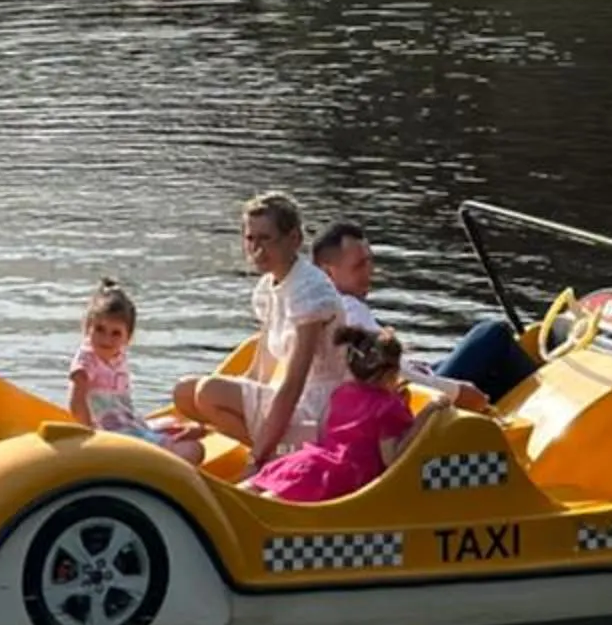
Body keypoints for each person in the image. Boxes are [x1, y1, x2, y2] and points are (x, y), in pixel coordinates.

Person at [168, 193, 344, 470]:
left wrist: (256, 456)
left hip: (318, 409)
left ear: (294, 239)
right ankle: (270, 452)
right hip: (285, 401)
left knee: (208, 391)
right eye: (251, 240)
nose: (257, 250)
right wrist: (208, 424)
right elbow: (260, 371)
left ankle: (271, 459)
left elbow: (293, 384)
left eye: (266, 239)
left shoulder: (310, 292)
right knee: (185, 392)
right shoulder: (269, 287)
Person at [312, 220, 492, 413]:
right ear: (328, 272)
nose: (370, 271)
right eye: (359, 266)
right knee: (493, 334)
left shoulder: (313, 307)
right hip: (419, 396)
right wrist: (459, 392)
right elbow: (395, 373)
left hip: (406, 381)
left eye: (370, 261)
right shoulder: (349, 311)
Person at [248, 324, 418, 503]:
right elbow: (391, 459)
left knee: (262, 486)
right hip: (346, 475)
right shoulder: (389, 407)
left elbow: (324, 431)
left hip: (315, 458)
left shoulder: (342, 392)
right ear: (391, 373)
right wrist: (424, 417)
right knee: (272, 500)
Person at [67, 280, 149, 435]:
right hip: (105, 432)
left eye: (116, 333)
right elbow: (76, 404)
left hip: (124, 422)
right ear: (87, 328)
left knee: (175, 427)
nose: (106, 339)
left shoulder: (118, 355)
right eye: (100, 329)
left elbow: (121, 403)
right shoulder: (86, 362)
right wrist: (89, 433)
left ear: (128, 338)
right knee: (191, 449)